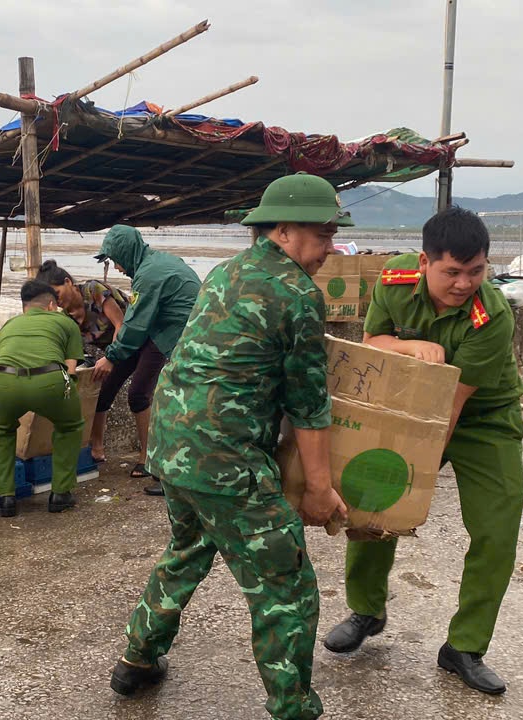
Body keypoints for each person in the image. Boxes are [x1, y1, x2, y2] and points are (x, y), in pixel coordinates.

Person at [110, 173, 349, 720]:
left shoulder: (225, 271)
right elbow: (310, 407)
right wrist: (318, 489)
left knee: (189, 548)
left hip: (173, 446)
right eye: (323, 235)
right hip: (226, 460)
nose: (330, 249)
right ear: (284, 231)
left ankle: (137, 660)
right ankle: (294, 708)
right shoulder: (296, 294)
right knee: (285, 584)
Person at [323, 207, 523, 696]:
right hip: (405, 404)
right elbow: (372, 342)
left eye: (475, 271)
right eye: (452, 272)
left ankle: (465, 647)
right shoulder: (393, 281)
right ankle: (366, 610)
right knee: (375, 495)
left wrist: (420, 474)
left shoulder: (492, 317)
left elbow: (452, 408)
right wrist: (412, 348)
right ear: (424, 262)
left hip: (481, 417)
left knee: (498, 528)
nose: (464, 284)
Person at [91, 224, 200, 495]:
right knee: (111, 378)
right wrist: (113, 360)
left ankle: (156, 463)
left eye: (116, 260)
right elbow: (137, 320)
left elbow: (137, 324)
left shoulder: (149, 274)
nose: (116, 268)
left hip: (176, 330)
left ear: (127, 253)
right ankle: (101, 449)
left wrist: (112, 355)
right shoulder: (152, 263)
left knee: (140, 393)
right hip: (159, 326)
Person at [0, 280, 85, 517]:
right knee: (70, 427)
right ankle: (60, 494)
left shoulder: (9, 326)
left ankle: (6, 499)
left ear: (24, 308)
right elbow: (71, 369)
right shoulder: (65, 322)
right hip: (48, 380)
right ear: (52, 305)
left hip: (5, 383)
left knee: (1, 431)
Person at [33, 259, 137, 459]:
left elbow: (120, 325)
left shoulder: (93, 290)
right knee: (100, 392)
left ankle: (145, 457)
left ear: (68, 282)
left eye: (57, 294)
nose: (55, 301)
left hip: (137, 339)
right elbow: (68, 350)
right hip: (117, 350)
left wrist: (110, 358)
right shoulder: (66, 317)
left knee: (139, 394)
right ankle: (96, 446)